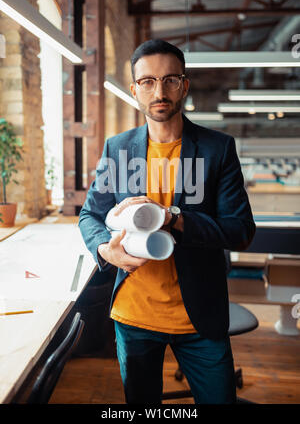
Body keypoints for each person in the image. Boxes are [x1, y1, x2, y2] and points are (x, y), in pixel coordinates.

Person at [79, 39, 256, 404]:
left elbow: (239, 230)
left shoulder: (216, 148)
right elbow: (91, 214)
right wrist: (104, 250)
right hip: (134, 315)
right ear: (135, 90)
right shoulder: (118, 148)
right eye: (147, 81)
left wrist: (175, 219)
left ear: (184, 85)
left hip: (199, 319)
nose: (159, 91)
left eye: (170, 79)